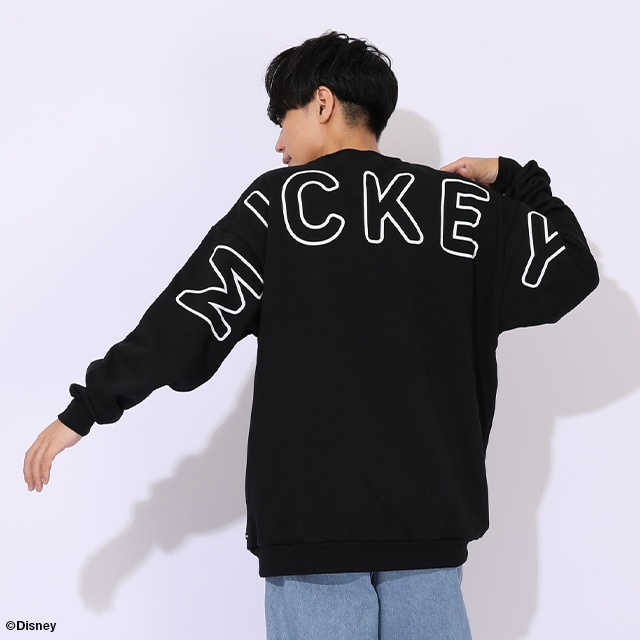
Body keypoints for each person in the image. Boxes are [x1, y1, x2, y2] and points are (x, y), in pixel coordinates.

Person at [23, 31, 599, 640]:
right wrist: (513, 177)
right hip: (430, 532)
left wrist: (87, 408)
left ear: (322, 103)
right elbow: (572, 268)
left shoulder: (278, 205)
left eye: (284, 118)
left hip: (312, 533)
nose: (279, 142)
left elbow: (185, 321)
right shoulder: (464, 211)